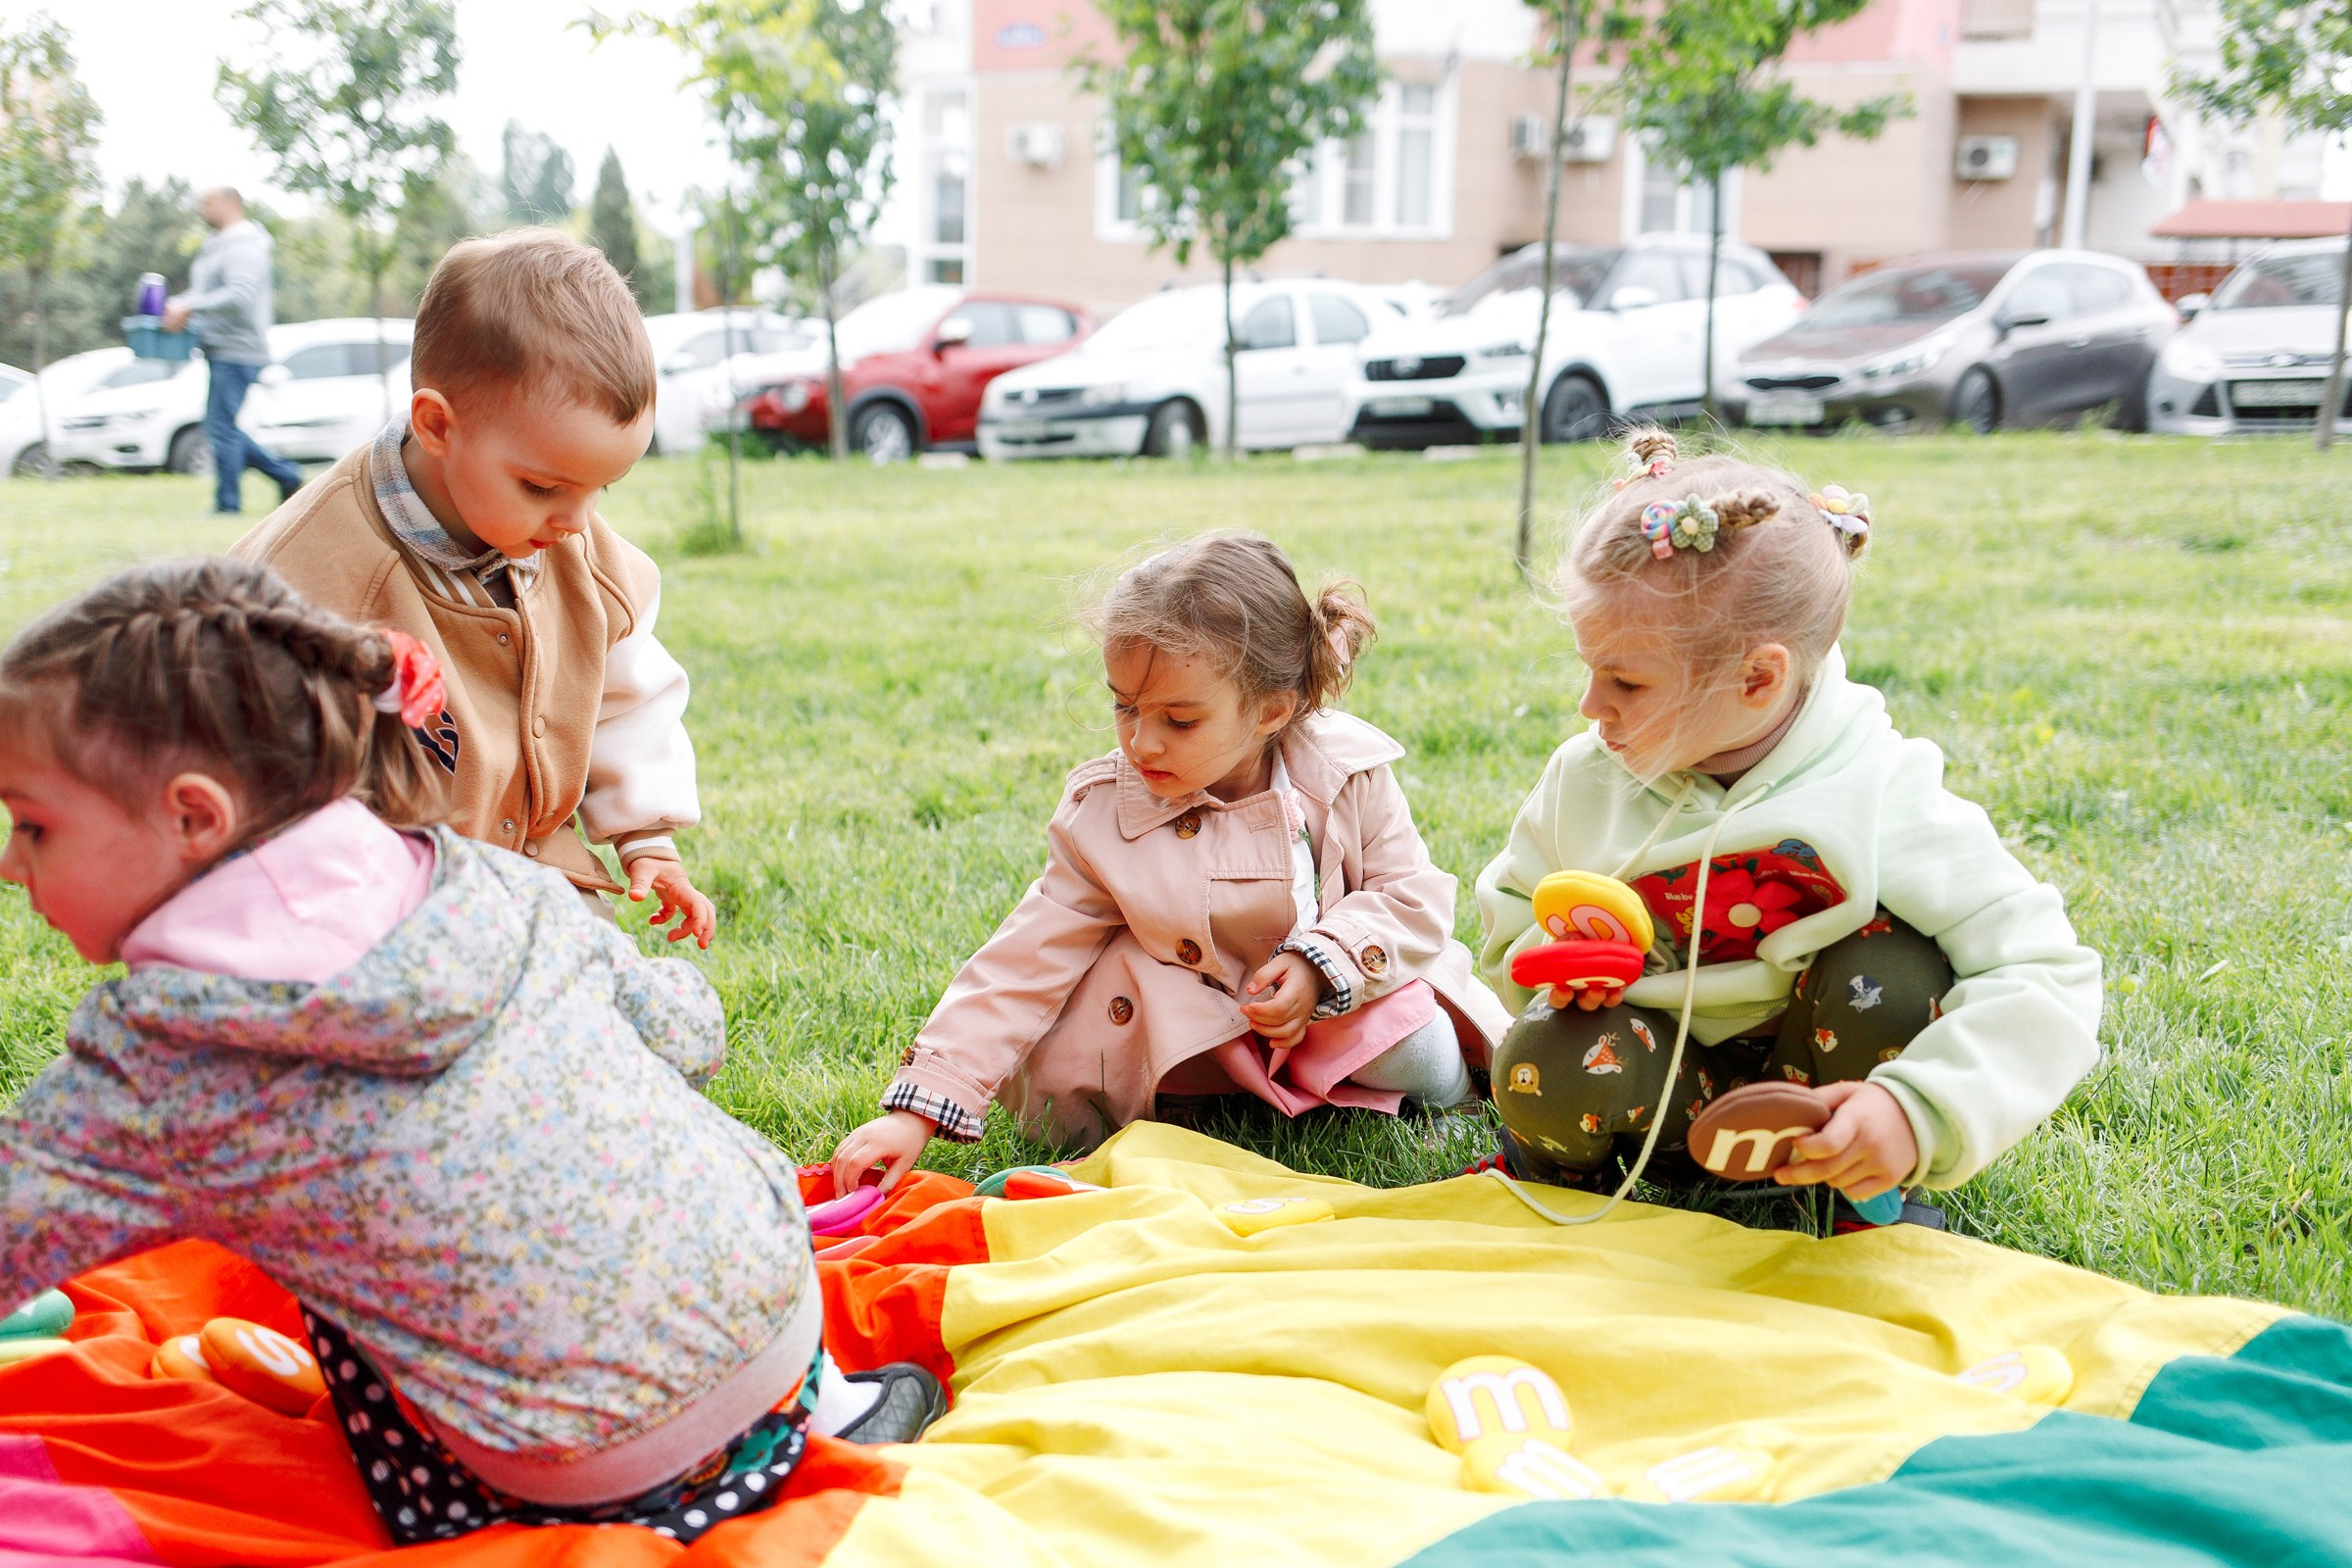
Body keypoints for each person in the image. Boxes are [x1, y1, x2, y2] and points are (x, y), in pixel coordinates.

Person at [0, 559, 940, 1546]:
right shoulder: (481, 878)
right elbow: (684, 1034)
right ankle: (830, 1414)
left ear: (195, 815)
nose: (10, 864)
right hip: (785, 1321)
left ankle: (587, 1506)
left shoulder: (167, 1064)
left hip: (588, 1462)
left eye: (33, 826)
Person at [1474, 429, 2103, 1223]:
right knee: (1544, 1050)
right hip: (1656, 1086)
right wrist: (1551, 959)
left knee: (1898, 969)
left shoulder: (1877, 784)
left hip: (1828, 1104)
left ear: (1758, 679)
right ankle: (1565, 1180)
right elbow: (1512, 919)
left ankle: (1861, 1188)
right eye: (1588, 670)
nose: (1590, 707)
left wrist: (1920, 1111)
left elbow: (2046, 968)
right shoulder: (1586, 776)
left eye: (1625, 682)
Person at [832, 532, 1511, 1195]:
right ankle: (1248, 1106)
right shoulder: (1105, 812)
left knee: (1412, 1037)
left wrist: (1321, 962)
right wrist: (920, 1106)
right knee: (1112, 1069)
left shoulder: (1345, 774)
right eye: (1123, 706)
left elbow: (1410, 895)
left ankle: (1451, 1100)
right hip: (1196, 1031)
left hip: (1332, 1011)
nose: (1140, 741)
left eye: (1178, 721)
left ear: (1271, 709)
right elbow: (1024, 959)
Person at [231, 227, 715, 941]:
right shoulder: (305, 573)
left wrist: (648, 838)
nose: (576, 523)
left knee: (601, 1007)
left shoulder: (585, 562)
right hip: (371, 900)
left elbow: (625, 698)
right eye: (544, 486)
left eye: (600, 488)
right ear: (437, 425)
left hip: (534, 872)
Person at [163, 186, 306, 514]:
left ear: (231, 204)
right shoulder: (216, 246)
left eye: (208, 202)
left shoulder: (243, 246)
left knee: (220, 426)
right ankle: (285, 474)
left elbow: (240, 295)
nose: (202, 208)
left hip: (240, 348)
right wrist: (183, 307)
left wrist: (190, 307)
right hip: (220, 346)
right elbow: (206, 292)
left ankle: (229, 503)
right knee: (220, 425)